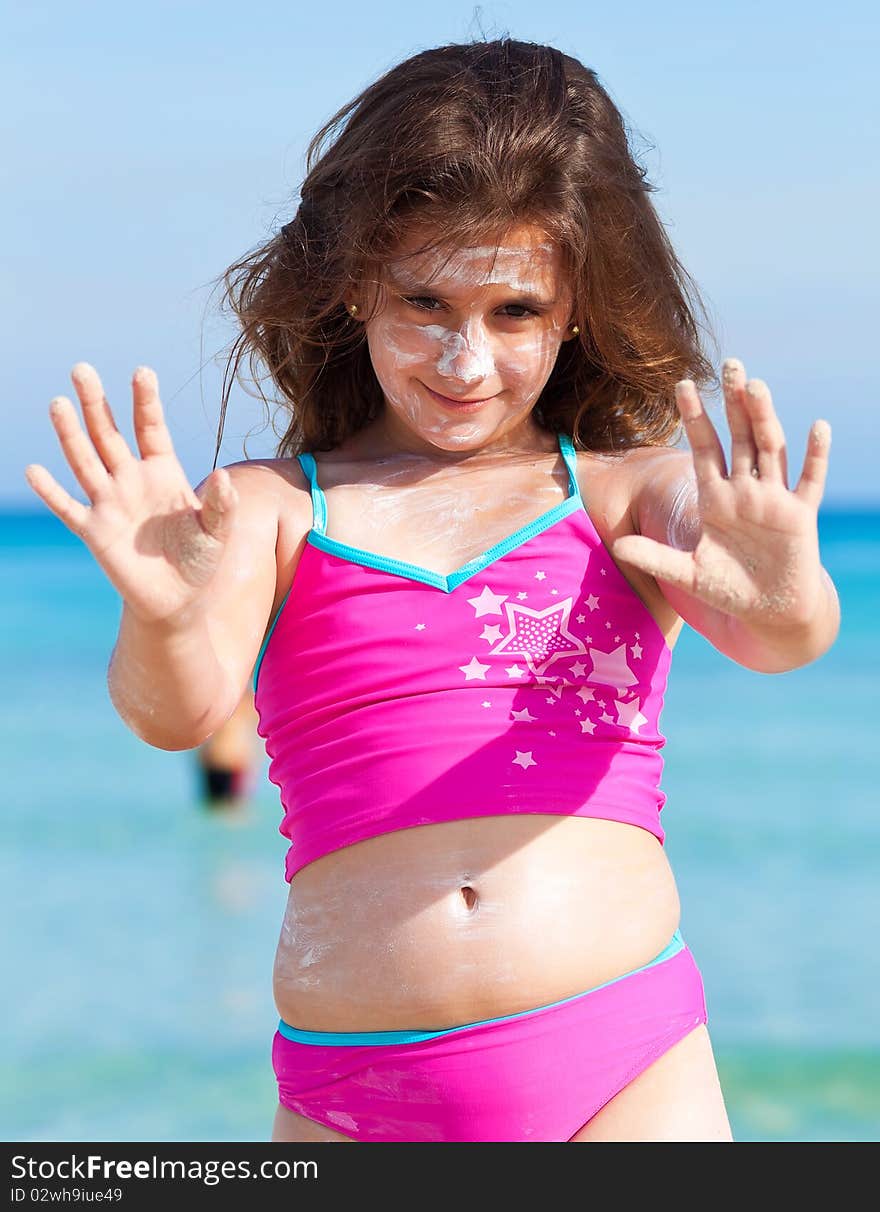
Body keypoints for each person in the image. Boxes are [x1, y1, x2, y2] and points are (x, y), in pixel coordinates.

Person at [24, 39, 840, 1142]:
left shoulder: (621, 494)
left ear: (576, 312)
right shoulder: (271, 509)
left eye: (514, 313)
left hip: (622, 1062)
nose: (465, 361)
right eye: (424, 301)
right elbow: (172, 714)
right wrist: (162, 614)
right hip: (351, 1092)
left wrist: (785, 587)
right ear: (355, 284)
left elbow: (778, 636)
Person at [194, 687, 260, 811]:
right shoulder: (245, 702)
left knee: (221, 808)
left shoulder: (217, 700)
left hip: (223, 761)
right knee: (228, 809)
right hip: (221, 761)